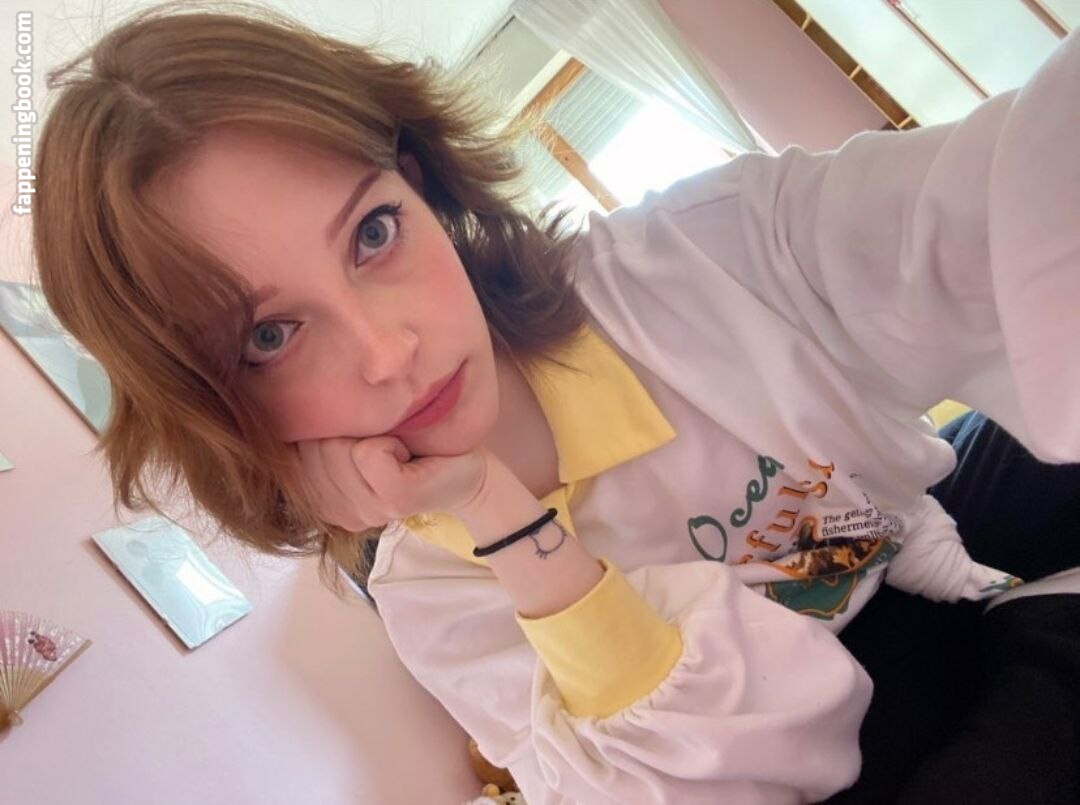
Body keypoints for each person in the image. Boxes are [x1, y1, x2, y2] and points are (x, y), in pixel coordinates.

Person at [29, 2, 1079, 802]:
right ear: (215, 404)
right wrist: (502, 518)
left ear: (419, 183)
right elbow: (723, 782)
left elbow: (995, 208)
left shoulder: (694, 260)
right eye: (269, 335)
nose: (389, 351)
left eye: (373, 233)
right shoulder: (437, 599)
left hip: (929, 560)